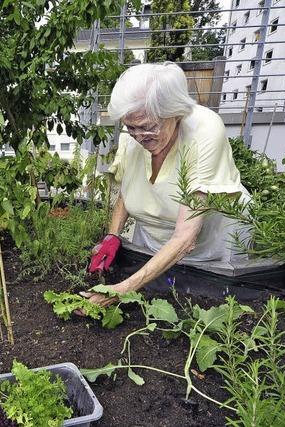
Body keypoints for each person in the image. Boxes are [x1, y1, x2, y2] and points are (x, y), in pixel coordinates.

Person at [83, 62, 250, 308]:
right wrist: (112, 235)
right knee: (156, 297)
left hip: (211, 244)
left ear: (175, 112)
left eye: (148, 127)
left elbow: (186, 238)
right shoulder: (134, 138)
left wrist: (122, 289)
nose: (139, 136)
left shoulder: (204, 131)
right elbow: (129, 189)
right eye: (131, 128)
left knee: (207, 305)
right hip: (156, 241)